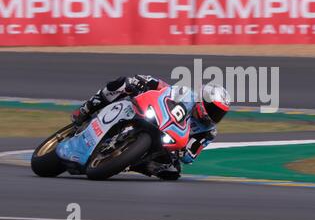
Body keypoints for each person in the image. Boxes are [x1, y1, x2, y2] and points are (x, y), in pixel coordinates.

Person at [71, 75, 230, 180]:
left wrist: (184, 152)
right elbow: (164, 89)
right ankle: (86, 109)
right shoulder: (186, 93)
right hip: (153, 114)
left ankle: (128, 161)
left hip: (167, 142)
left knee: (173, 172)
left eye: (220, 113)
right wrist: (143, 82)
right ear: (203, 100)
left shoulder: (208, 132)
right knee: (125, 83)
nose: (215, 116)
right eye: (214, 110)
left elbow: (191, 156)